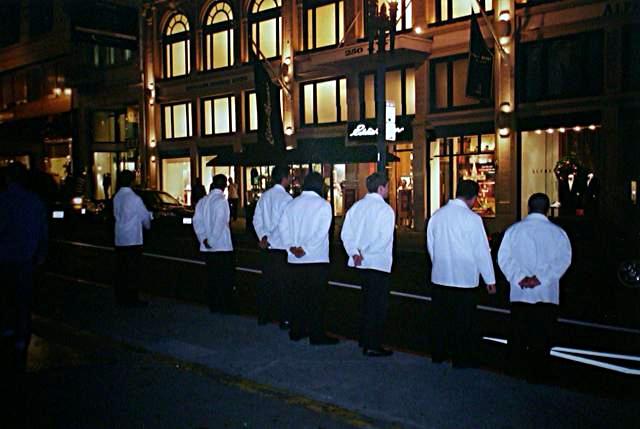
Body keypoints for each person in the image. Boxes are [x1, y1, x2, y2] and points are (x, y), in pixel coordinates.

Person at [498, 193, 572, 381]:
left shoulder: (514, 231)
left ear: (528, 207)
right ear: (547, 209)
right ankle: (539, 374)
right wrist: (540, 279)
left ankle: (516, 372)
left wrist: (519, 277)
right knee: (542, 336)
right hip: (546, 294)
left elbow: (504, 258)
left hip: (520, 293)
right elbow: (563, 260)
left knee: (518, 334)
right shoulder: (558, 233)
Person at [426, 179, 496, 367]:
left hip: (440, 277)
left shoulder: (437, 216)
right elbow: (481, 251)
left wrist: (438, 265)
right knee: (463, 322)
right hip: (465, 280)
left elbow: (431, 246)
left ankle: (438, 354)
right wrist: (489, 279)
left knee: (441, 319)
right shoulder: (473, 219)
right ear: (473, 198)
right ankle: (461, 358)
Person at [278, 172, 338, 345]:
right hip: (316, 259)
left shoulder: (291, 204)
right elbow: (321, 232)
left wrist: (291, 247)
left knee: (297, 296)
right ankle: (316, 334)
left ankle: (297, 330)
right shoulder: (324, 205)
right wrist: (305, 248)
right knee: (316, 299)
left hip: (295, 259)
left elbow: (283, 228)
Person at [0, 162, 48, 375]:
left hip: (5, 257)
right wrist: (41, 253)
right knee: (23, 299)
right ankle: (21, 334)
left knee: (6, 296)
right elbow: (42, 230)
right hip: (26, 257)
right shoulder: (34, 201)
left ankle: (8, 329)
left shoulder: (3, 200)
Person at [341, 172, 395, 357]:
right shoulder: (386, 210)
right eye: (387, 186)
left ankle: (364, 339)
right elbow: (383, 239)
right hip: (378, 262)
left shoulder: (356, 207)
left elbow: (346, 234)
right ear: (381, 188)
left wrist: (355, 253)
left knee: (365, 303)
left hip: (361, 263)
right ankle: (373, 344)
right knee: (378, 306)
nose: (388, 190)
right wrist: (364, 252)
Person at [252, 166, 292, 328]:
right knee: (283, 285)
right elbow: (284, 225)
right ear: (284, 178)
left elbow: (256, 219)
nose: (291, 179)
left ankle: (263, 316)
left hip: (266, 248)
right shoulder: (287, 199)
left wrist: (263, 237)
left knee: (266, 283)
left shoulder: (264, 196)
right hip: (280, 247)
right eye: (289, 176)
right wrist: (270, 239)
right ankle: (284, 319)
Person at [193, 174, 234, 313]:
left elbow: (197, 221)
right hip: (222, 246)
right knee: (224, 278)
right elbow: (220, 223)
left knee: (212, 277)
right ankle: (223, 306)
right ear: (224, 186)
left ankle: (213, 304)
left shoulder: (203, 201)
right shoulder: (221, 201)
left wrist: (203, 238)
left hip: (207, 247)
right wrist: (211, 241)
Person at [113, 170, 151, 307]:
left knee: (122, 269)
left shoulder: (117, 197)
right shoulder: (134, 198)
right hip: (133, 238)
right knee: (133, 270)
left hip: (120, 237)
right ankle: (132, 298)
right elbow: (144, 217)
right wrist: (148, 225)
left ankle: (121, 296)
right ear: (132, 181)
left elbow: (115, 215)